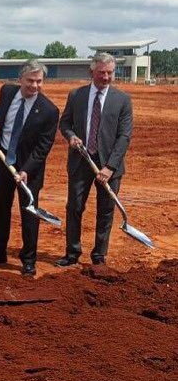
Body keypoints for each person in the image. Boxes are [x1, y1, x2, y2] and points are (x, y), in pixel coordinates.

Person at [0, 60, 59, 276]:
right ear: (20, 79)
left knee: (29, 213)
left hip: (28, 170)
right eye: (30, 81)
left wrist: (26, 170)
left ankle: (28, 260)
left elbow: (43, 147)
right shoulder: (7, 91)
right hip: (3, 161)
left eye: (39, 81)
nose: (34, 86)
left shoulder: (50, 110)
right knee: (1, 210)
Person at [56, 52, 133, 266]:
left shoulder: (123, 100)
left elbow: (124, 136)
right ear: (92, 72)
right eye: (101, 73)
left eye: (110, 73)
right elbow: (65, 124)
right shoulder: (76, 95)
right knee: (74, 208)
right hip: (81, 161)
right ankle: (72, 253)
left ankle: (99, 255)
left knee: (106, 211)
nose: (106, 77)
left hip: (109, 166)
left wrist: (109, 167)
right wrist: (71, 137)